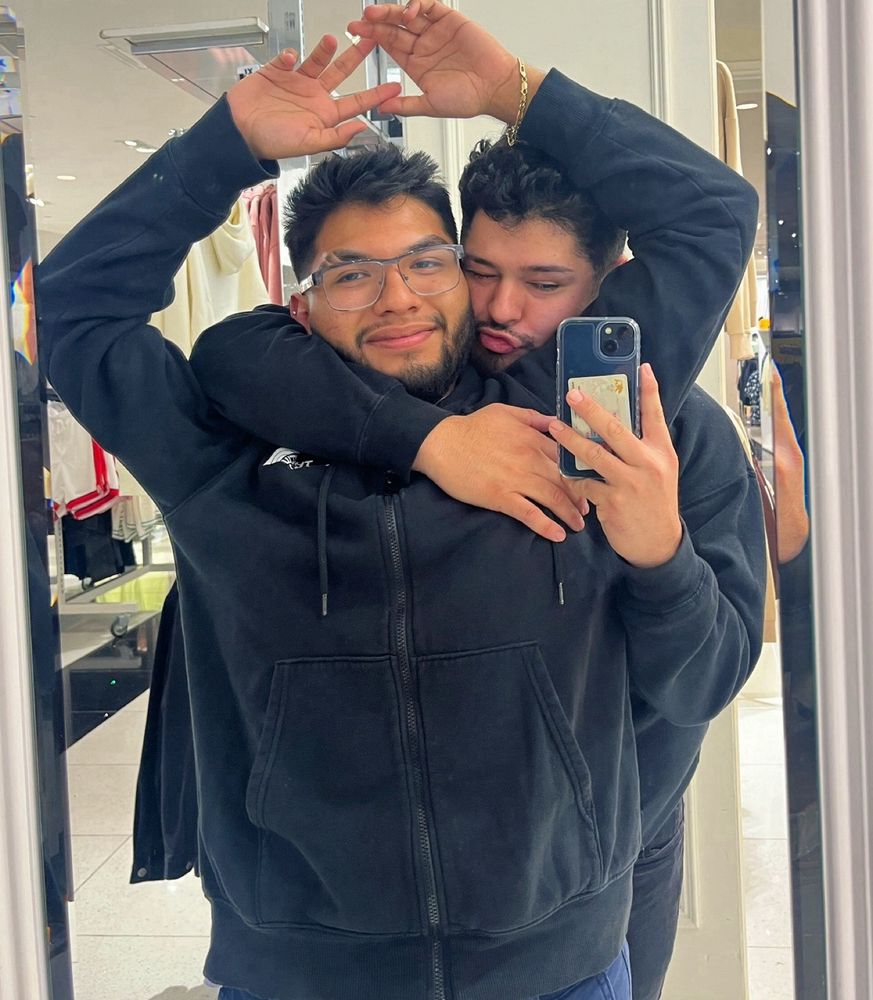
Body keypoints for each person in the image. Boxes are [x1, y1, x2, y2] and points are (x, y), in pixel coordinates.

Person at [36, 12, 759, 1000]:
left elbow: (710, 214)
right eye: (352, 274)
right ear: (301, 303)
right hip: (299, 973)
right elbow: (73, 306)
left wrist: (513, 90)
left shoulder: (558, 416)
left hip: (554, 965)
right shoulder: (220, 453)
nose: (398, 298)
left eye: (427, 262)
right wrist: (225, 144)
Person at [192, 132, 765, 1000]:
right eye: (479, 270)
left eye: (544, 283)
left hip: (611, 847)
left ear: (610, 283)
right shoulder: (410, 379)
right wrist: (432, 440)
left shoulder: (683, 434)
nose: (500, 309)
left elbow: (705, 682)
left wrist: (658, 549)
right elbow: (235, 351)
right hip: (392, 894)